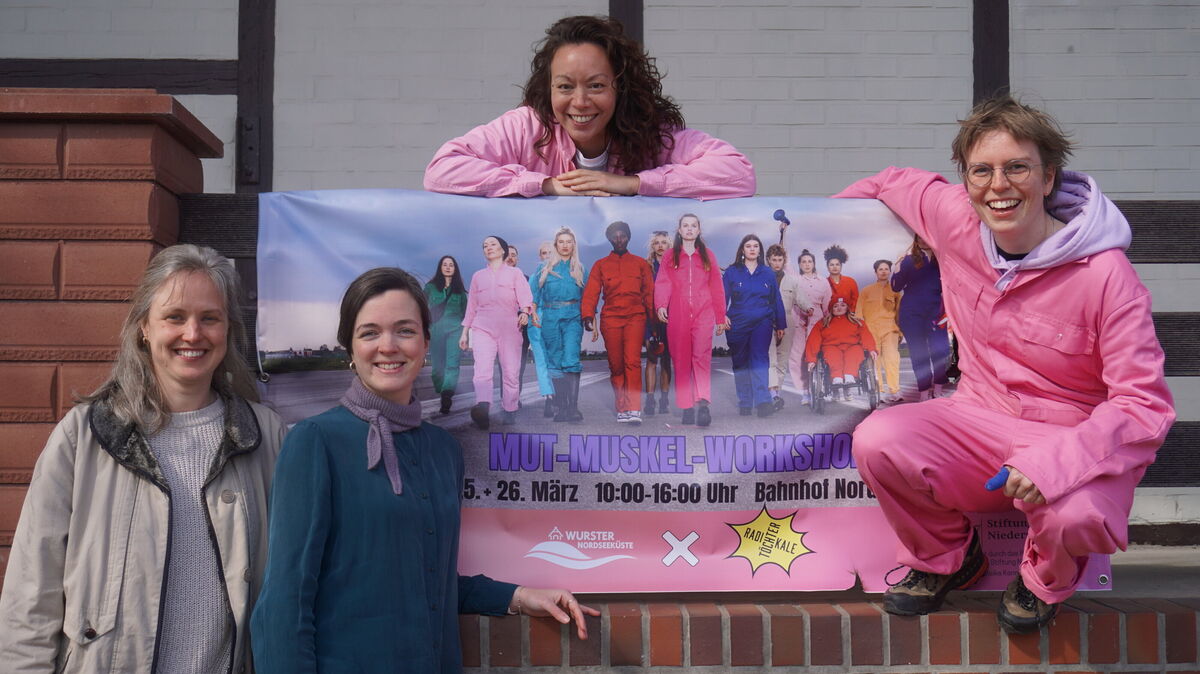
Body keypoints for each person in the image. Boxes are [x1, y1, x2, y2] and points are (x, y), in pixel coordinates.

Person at [838, 95, 1175, 633]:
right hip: (978, 418)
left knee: (1075, 516)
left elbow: (1143, 407)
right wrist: (812, 224)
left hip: (1075, 435)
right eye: (982, 171)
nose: (998, 185)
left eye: (1017, 167)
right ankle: (947, 556)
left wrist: (1055, 465)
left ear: (1048, 177)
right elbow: (888, 182)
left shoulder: (1108, 276)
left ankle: (1044, 579)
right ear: (966, 180)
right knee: (879, 440)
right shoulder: (953, 217)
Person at [250, 267, 597, 673]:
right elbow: (284, 602)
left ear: (426, 343)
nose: (388, 346)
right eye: (369, 333)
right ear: (350, 349)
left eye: (405, 330)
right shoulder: (315, 443)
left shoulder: (443, 450)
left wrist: (518, 596)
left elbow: (428, 579)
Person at [0, 244, 285, 673]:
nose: (193, 334)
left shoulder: (266, 437)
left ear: (228, 330)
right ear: (144, 328)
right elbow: (31, 591)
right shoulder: (85, 437)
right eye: (175, 317)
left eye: (210, 318)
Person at [424, 15, 755, 200]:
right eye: (565, 86)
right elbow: (442, 170)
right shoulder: (526, 126)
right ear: (548, 88)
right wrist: (544, 185)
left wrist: (633, 184)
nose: (580, 102)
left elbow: (739, 173)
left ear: (621, 87)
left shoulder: (649, 131)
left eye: (596, 85)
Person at [654, 213, 726, 426]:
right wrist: (661, 304)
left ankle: (703, 405)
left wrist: (720, 316)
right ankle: (686, 406)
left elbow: (716, 285)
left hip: (704, 313)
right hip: (678, 314)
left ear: (699, 230)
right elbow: (663, 281)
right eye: (685, 225)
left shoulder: (708, 255)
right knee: (681, 361)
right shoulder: (670, 256)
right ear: (679, 230)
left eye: (693, 225)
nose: (689, 229)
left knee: (701, 357)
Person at [582, 221, 655, 424]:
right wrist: (588, 315)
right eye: (615, 236)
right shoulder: (601, 265)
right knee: (616, 365)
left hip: (635, 317)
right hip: (611, 318)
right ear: (610, 240)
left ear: (628, 238)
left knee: (632, 361)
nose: (619, 239)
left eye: (622, 236)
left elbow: (649, 294)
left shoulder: (640, 264)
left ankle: (634, 408)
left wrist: (654, 321)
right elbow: (591, 292)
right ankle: (622, 407)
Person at [460, 236, 533, 429]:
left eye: (493, 244)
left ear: (502, 250)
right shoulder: (477, 276)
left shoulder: (515, 273)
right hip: (482, 326)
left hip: (510, 327)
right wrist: (465, 332)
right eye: (485, 245)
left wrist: (524, 312)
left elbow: (525, 297)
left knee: (511, 371)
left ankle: (510, 409)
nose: (488, 247)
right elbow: (471, 306)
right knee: (482, 370)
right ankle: (483, 407)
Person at [722, 235, 787, 417]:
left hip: (762, 321)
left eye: (755, 246)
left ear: (760, 250)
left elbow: (776, 299)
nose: (752, 249)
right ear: (742, 250)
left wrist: (780, 324)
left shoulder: (767, 273)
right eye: (748, 246)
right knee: (740, 362)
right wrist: (721, 315)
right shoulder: (732, 272)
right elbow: (722, 296)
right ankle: (745, 401)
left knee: (760, 358)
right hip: (737, 323)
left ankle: (763, 402)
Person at [533, 228, 588, 422]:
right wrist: (532, 312)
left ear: (574, 245)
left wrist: (591, 320)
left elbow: (588, 298)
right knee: (554, 361)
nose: (565, 245)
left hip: (573, 316)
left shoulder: (580, 269)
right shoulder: (543, 268)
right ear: (556, 245)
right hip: (550, 317)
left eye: (569, 241)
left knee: (571, 358)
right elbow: (534, 294)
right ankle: (562, 407)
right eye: (561, 241)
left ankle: (573, 408)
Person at [891, 235, 952, 401]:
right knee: (919, 353)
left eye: (925, 236)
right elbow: (896, 286)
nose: (923, 240)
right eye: (919, 237)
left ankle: (938, 389)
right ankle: (924, 392)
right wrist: (898, 265)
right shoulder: (909, 260)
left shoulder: (943, 259)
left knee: (940, 350)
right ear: (916, 240)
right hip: (912, 313)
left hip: (936, 311)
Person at [804, 296, 878, 401]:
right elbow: (813, 340)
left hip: (852, 346)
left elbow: (866, 335)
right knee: (832, 355)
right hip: (831, 346)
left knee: (856, 352)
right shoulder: (823, 323)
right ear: (831, 309)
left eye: (843, 305)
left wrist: (871, 349)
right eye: (835, 306)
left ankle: (849, 375)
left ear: (847, 308)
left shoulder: (857, 322)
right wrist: (811, 359)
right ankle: (837, 377)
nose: (839, 308)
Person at [765, 243, 811, 409]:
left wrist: (809, 308)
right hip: (766, 320)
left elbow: (801, 299)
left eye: (780, 260)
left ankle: (776, 394)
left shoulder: (792, 280)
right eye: (774, 260)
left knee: (782, 360)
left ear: (784, 261)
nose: (777, 263)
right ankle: (771, 394)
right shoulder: (762, 278)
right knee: (771, 358)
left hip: (787, 319)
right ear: (768, 260)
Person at [425, 255, 469, 414]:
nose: (448, 267)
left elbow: (466, 315)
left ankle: (446, 395)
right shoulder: (430, 288)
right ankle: (443, 388)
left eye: (451, 265)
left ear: (455, 269)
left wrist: (465, 335)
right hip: (435, 330)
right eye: (445, 264)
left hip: (455, 330)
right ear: (440, 267)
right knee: (437, 367)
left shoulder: (460, 292)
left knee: (452, 364)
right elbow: (421, 306)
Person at [787, 248, 831, 405]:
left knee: (817, 354)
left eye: (809, 261)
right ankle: (805, 391)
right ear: (799, 264)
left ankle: (821, 387)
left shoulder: (823, 281)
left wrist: (828, 322)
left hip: (817, 320)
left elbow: (827, 304)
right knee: (798, 356)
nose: (807, 264)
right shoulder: (795, 279)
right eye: (803, 262)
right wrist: (784, 240)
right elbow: (786, 263)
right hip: (798, 319)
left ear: (814, 263)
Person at [857, 259, 903, 403]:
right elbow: (858, 314)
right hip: (871, 330)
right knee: (874, 361)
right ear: (875, 272)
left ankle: (894, 390)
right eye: (880, 269)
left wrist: (900, 332)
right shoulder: (866, 291)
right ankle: (879, 391)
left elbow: (900, 314)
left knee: (892, 359)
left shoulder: (896, 291)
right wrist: (861, 333)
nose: (883, 272)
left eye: (886, 269)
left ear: (890, 271)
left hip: (890, 329)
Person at [527, 241, 559, 417]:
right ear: (540, 256)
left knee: (554, 360)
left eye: (550, 253)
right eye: (544, 253)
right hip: (537, 323)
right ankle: (548, 397)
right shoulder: (534, 277)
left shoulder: (560, 275)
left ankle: (556, 394)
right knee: (541, 361)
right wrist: (533, 316)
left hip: (553, 322)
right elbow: (530, 301)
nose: (547, 256)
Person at [643, 230, 673, 416]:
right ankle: (650, 400)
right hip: (650, 319)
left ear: (669, 246)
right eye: (657, 243)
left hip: (671, 318)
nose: (660, 246)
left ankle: (664, 399)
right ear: (652, 247)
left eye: (664, 242)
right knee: (652, 359)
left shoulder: (675, 266)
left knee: (667, 360)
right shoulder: (646, 266)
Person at [823, 244, 858, 313]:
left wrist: (850, 313)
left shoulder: (851, 281)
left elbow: (856, 301)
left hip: (849, 316)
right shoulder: (823, 283)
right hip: (829, 316)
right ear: (827, 267)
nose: (835, 267)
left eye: (837, 264)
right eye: (831, 265)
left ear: (841, 266)